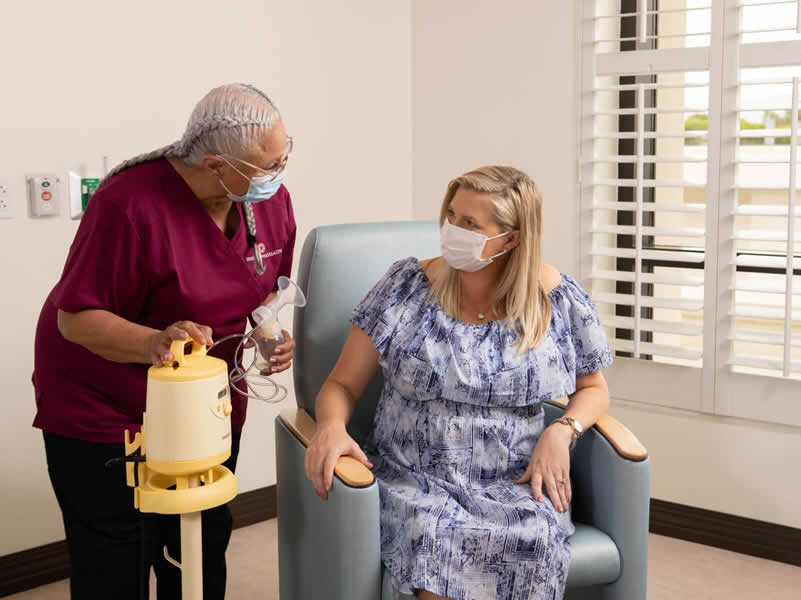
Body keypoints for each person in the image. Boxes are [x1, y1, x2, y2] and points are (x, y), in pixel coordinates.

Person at [32, 83, 297, 600]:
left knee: (199, 544)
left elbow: (267, 286)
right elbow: (76, 319)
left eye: (285, 155)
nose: (280, 172)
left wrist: (268, 335)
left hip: (202, 398)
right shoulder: (128, 205)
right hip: (106, 404)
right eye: (269, 164)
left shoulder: (266, 198)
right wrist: (156, 341)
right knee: (119, 555)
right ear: (217, 165)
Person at [304, 166, 613, 600]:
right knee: (435, 543)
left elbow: (594, 388)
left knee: (534, 541)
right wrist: (331, 426)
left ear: (512, 238)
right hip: (414, 478)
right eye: (451, 215)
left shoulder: (554, 299)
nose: (453, 230)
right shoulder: (406, 287)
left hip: (515, 482)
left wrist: (563, 431)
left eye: (470, 224)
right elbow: (341, 384)